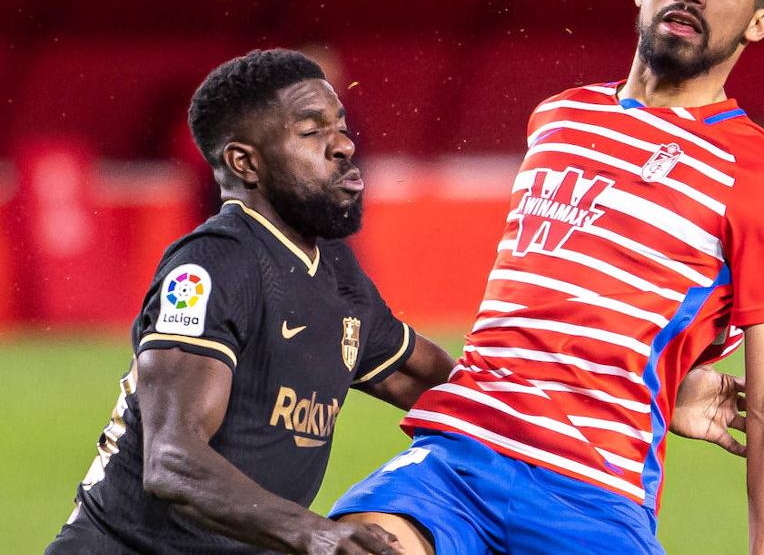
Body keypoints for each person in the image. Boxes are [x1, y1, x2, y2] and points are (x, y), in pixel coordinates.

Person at [330, 0, 764, 555]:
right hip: (457, 460)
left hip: (593, 495)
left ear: (757, 24)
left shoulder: (763, 182)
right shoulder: (558, 119)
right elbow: (551, 309)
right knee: (354, 548)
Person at [46, 49, 456, 555]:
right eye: (312, 133)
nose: (344, 146)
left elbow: (438, 387)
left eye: (341, 125)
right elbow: (173, 461)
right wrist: (315, 532)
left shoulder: (337, 275)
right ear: (245, 162)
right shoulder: (212, 266)